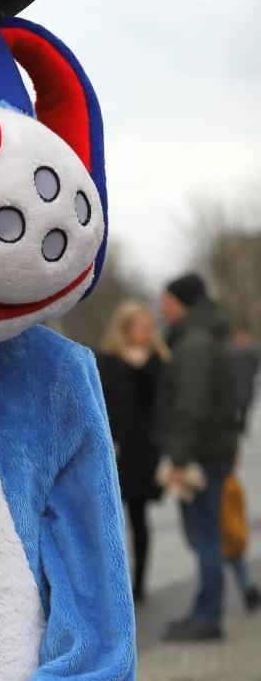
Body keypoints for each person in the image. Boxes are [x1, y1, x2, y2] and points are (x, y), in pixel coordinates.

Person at [156, 273, 239, 640]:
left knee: (204, 539)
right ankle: (204, 611)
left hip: (200, 457)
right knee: (206, 537)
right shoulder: (206, 338)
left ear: (184, 303)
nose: (163, 309)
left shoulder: (194, 345)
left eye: (168, 302)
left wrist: (178, 461)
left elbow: (192, 408)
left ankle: (207, 618)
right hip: (213, 451)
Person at [97, 300, 169, 602]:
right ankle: (114, 582)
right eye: (142, 327)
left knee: (140, 518)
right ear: (125, 328)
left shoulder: (159, 361)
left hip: (145, 451)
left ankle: (139, 583)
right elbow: (101, 404)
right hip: (116, 450)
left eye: (150, 327)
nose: (147, 332)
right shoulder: (106, 360)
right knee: (112, 519)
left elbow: (163, 406)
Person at [221, 468, 261, 611]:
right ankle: (247, 590)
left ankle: (247, 590)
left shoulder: (228, 484)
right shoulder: (229, 485)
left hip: (228, 538)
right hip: (230, 537)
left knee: (235, 566)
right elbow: (230, 517)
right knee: (237, 565)